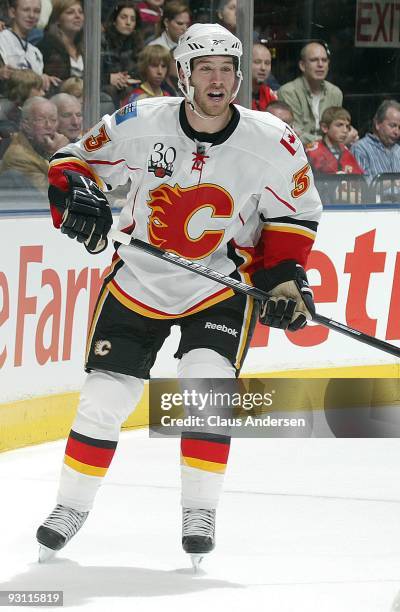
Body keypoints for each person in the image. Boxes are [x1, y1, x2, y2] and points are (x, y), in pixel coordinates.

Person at [36, 23, 321, 567]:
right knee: (104, 402)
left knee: (206, 386)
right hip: (139, 277)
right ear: (184, 74)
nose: (218, 80)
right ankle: (69, 507)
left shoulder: (271, 139)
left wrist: (285, 277)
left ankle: (199, 510)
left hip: (219, 284)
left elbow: (293, 213)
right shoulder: (140, 121)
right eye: (206, 69)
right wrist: (75, 198)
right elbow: (72, 161)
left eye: (227, 69)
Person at [277, 41, 343, 145]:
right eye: (314, 60)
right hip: (298, 153)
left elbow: (337, 129)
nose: (320, 64)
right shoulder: (288, 92)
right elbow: (294, 135)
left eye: (324, 60)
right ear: (302, 65)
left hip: (328, 155)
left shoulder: (335, 93)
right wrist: (327, 142)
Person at [0, 96, 68, 192]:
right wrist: (60, 156)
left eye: (53, 120)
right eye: (40, 119)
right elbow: (48, 197)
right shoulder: (19, 158)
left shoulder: (42, 145)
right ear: (26, 125)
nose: (48, 125)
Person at [0, 0, 60, 93]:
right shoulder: (2, 39)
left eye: (36, 11)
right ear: (12, 12)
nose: (31, 15)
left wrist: (45, 80)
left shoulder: (36, 52)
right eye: (26, 10)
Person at [101, 1, 144, 107]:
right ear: (114, 20)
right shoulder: (102, 41)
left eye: (132, 19)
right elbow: (91, 73)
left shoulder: (137, 44)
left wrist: (129, 78)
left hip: (129, 87)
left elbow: (141, 72)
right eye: (123, 17)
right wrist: (108, 78)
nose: (128, 22)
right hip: (104, 88)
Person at [351, 100, 400, 182]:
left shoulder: (398, 150)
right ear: (377, 124)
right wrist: (394, 182)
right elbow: (362, 186)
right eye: (392, 126)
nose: (397, 132)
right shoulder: (360, 149)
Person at [306, 106, 363, 175]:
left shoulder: (346, 152)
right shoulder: (312, 152)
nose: (345, 130)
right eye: (339, 125)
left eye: (347, 126)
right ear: (325, 128)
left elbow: (360, 180)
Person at [38, 0, 84, 82]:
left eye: (80, 12)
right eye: (70, 12)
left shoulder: (86, 46)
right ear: (58, 19)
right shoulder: (47, 45)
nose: (78, 16)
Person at [251, 42, 277, 111]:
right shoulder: (234, 94)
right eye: (257, 62)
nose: (263, 68)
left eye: (267, 63)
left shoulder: (268, 93)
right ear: (245, 63)